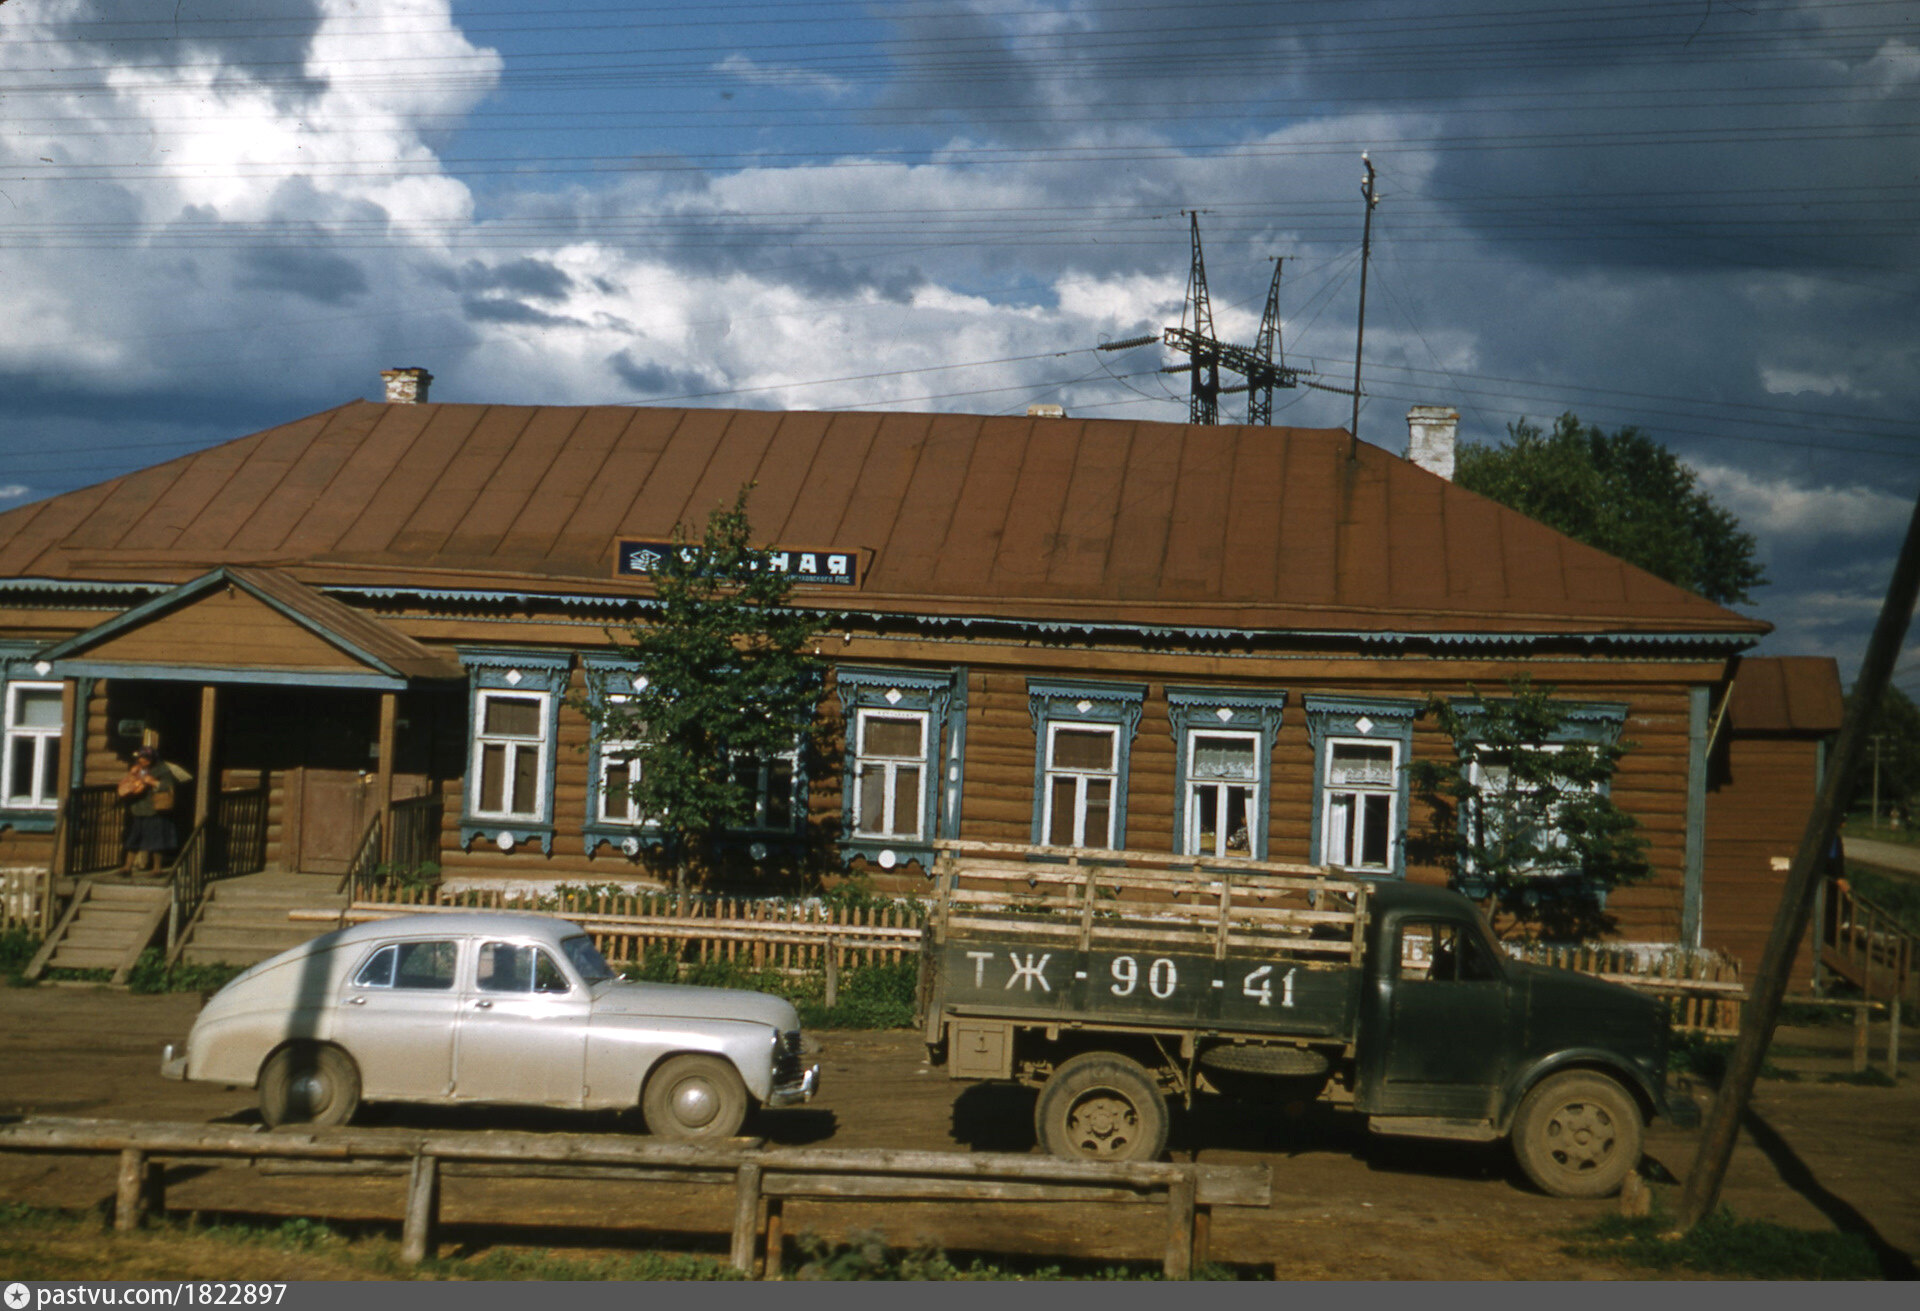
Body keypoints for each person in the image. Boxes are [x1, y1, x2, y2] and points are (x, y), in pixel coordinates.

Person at [117, 746, 182, 877]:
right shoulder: (137, 769)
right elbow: (127, 784)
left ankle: (157, 868)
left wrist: (153, 782)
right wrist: (132, 775)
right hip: (138, 808)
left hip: (154, 809)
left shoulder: (162, 769)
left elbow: (168, 786)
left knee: (156, 840)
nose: (142, 760)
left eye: (145, 758)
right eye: (140, 757)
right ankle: (127, 866)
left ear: (152, 758)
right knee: (134, 838)